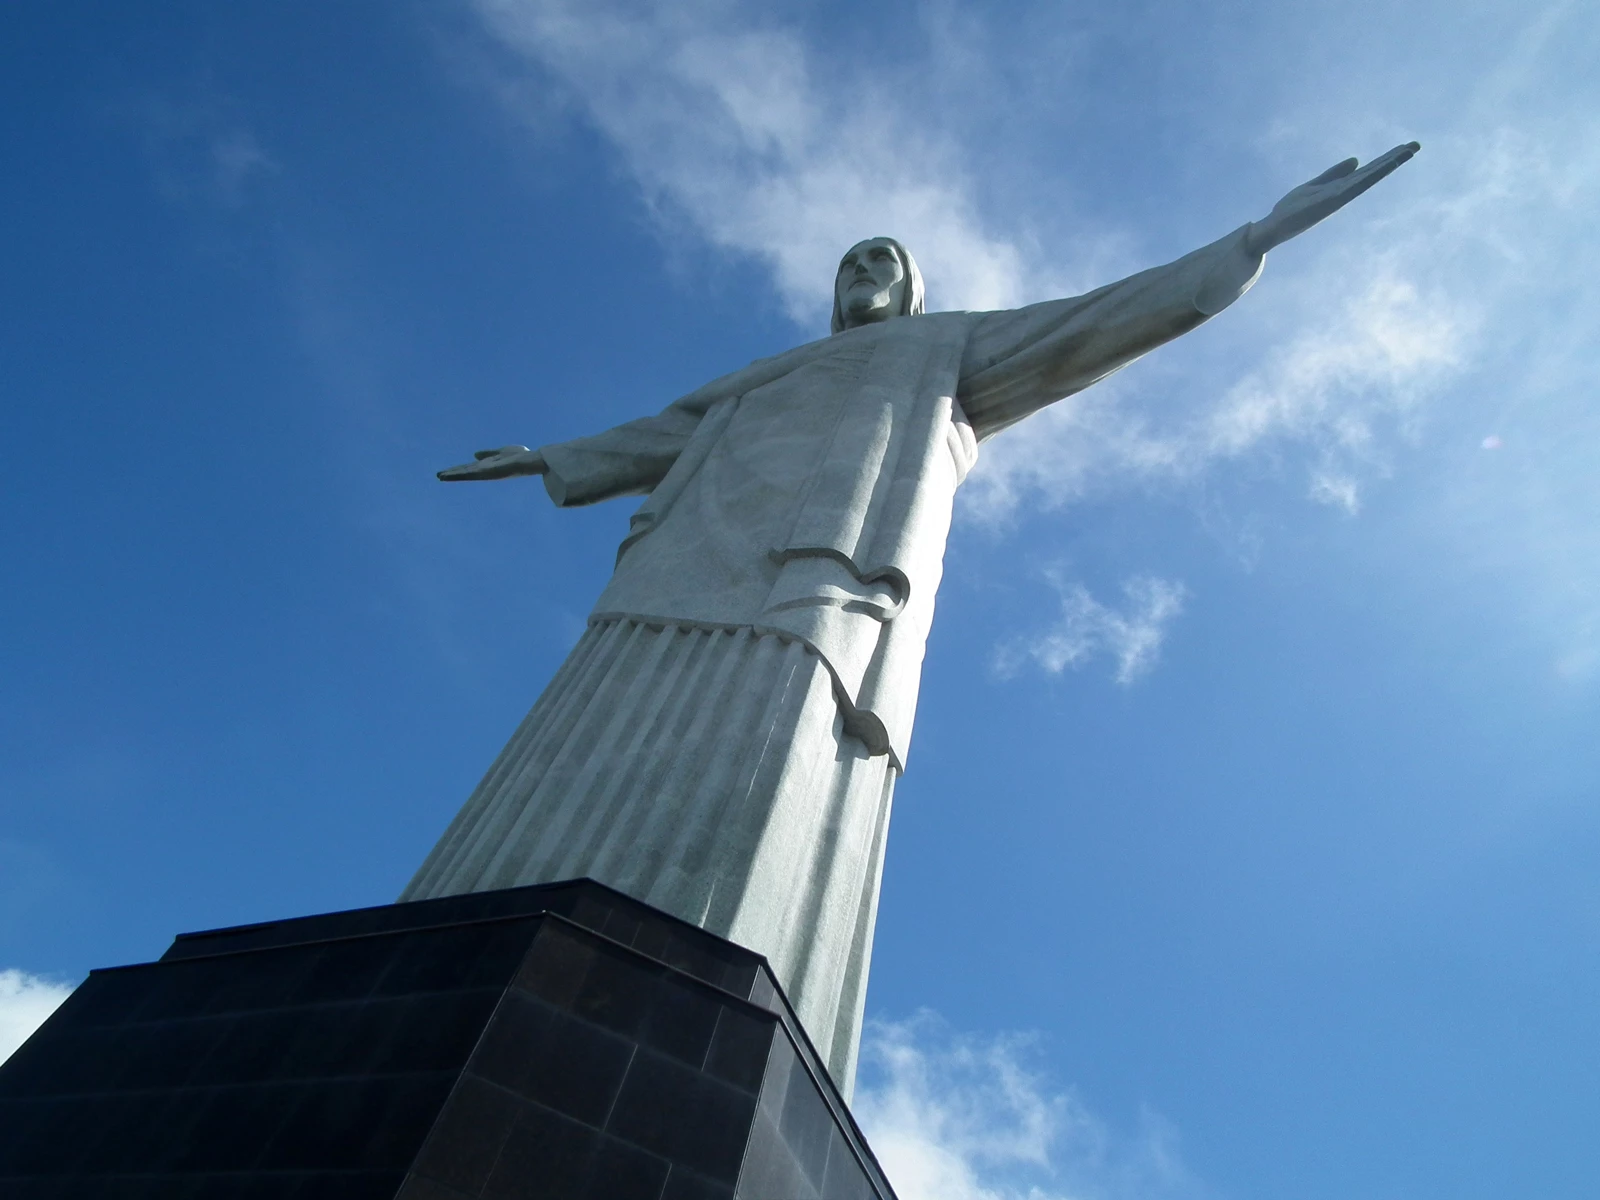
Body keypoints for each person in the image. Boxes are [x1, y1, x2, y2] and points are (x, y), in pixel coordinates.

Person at [404, 144, 1420, 1094]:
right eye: (849, 259)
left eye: (881, 257)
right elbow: (664, 431)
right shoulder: (761, 376)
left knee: (772, 738)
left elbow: (1097, 319)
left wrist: (1253, 240)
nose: (860, 266)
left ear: (913, 288)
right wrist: (546, 457)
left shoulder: (948, 347)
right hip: (676, 571)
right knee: (593, 717)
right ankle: (446, 955)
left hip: (818, 572)